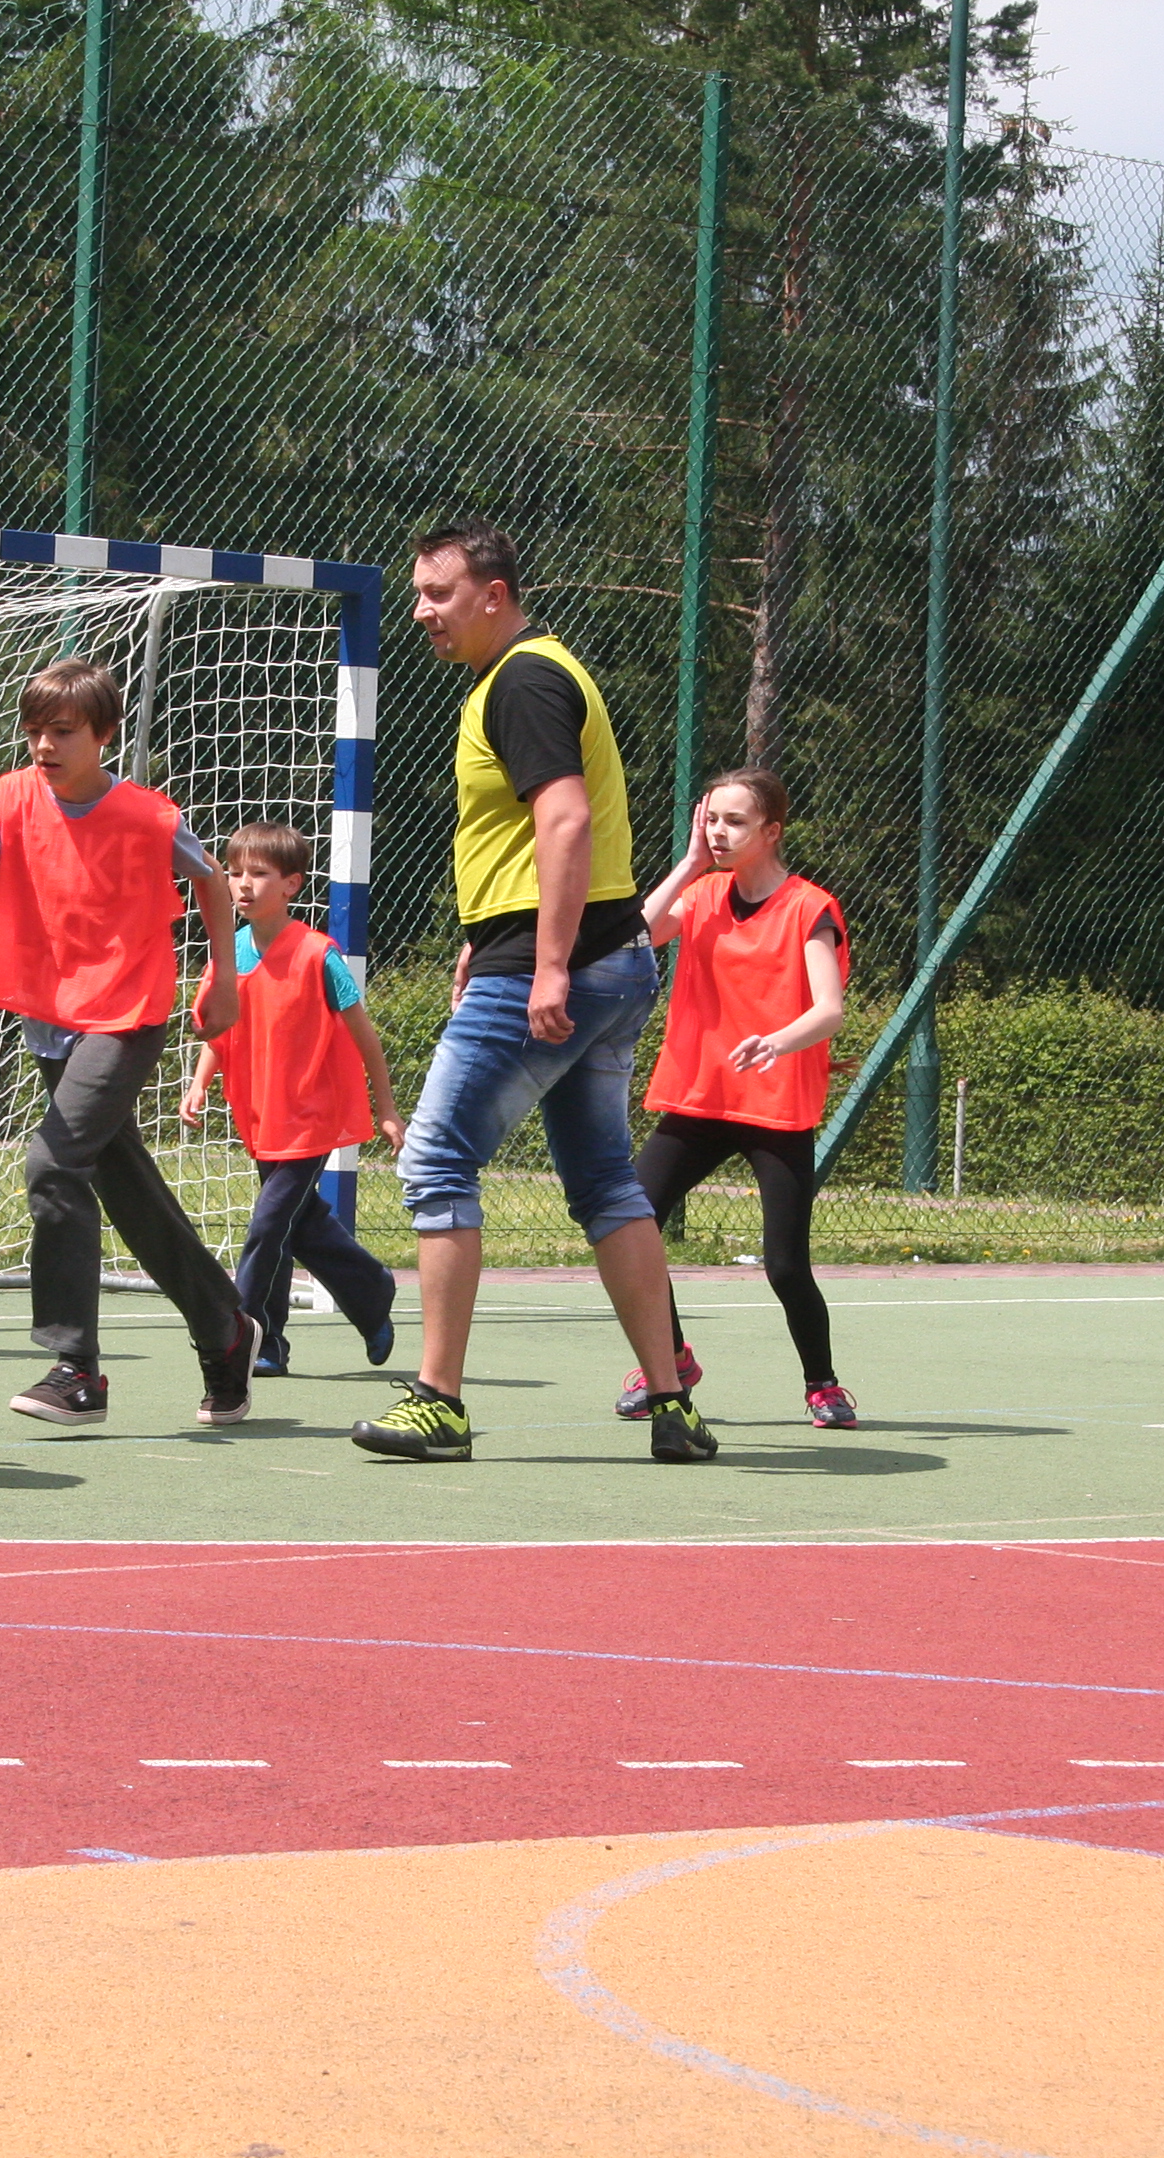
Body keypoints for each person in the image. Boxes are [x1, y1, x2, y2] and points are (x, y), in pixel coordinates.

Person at [354, 521, 712, 1466]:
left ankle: (439, 1401)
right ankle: (672, 1405)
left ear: (494, 595)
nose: (421, 611)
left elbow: (564, 821)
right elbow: (528, 841)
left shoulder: (523, 680)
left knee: (435, 1159)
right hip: (609, 960)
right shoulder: (526, 676)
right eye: (418, 594)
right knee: (604, 1182)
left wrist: (545, 963)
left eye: (437, 593)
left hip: (558, 972)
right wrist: (489, 938)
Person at [0, 657, 260, 1428]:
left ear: (103, 734)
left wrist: (223, 975)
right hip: (51, 1016)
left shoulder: (147, 816)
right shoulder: (9, 800)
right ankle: (225, 1326)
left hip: (126, 1012)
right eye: (34, 731)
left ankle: (75, 1370)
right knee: (125, 1190)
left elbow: (211, 881)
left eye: (62, 731)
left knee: (51, 1162)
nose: (44, 745)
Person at [629, 769, 856, 1428]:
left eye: (734, 821)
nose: (719, 832)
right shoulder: (701, 894)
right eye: (711, 819)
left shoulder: (808, 908)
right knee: (630, 1225)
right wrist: (689, 863)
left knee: (785, 1265)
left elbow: (830, 1009)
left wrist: (775, 1042)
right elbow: (636, 933)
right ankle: (671, 1361)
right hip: (699, 1098)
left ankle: (823, 1385)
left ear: (772, 831)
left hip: (775, 1104)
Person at [178, 819, 403, 1375]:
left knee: (267, 1227)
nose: (242, 883)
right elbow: (219, 1030)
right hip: (261, 1116)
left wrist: (387, 1108)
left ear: (291, 885)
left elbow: (364, 1036)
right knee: (298, 1226)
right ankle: (364, 1294)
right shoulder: (229, 954)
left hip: (311, 1117)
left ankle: (244, 1335)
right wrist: (199, 1082)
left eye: (258, 873)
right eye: (234, 872)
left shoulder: (318, 956)